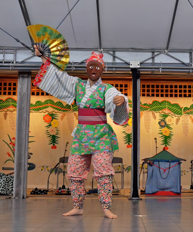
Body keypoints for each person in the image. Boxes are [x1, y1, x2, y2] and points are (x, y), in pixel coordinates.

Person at [33, 46, 129, 219]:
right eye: (91, 66)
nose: (94, 69)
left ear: (102, 69)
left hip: (101, 136)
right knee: (75, 172)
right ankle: (77, 206)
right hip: (81, 136)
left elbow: (115, 96)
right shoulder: (77, 85)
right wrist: (43, 58)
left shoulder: (107, 89)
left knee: (104, 173)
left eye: (97, 66)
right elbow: (58, 77)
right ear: (87, 68)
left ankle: (106, 208)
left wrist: (121, 100)